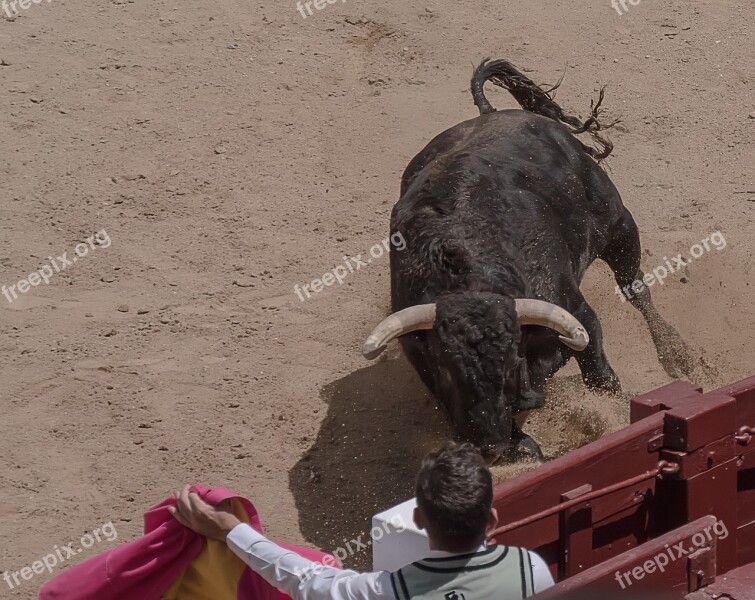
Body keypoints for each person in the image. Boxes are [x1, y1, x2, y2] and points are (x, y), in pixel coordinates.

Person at [170, 442, 555, 599]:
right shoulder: (533, 570)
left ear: (419, 518)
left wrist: (229, 530)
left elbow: (302, 579)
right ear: (491, 520)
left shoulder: (385, 591)